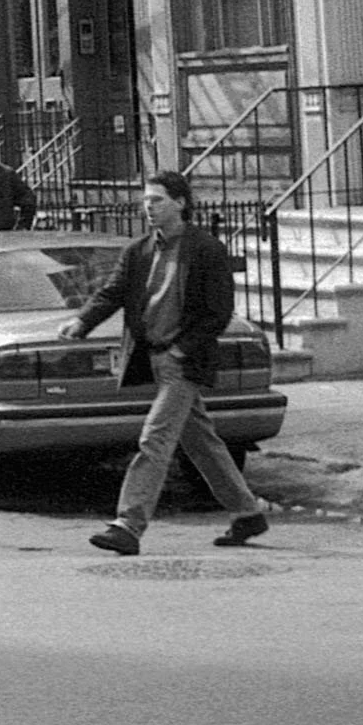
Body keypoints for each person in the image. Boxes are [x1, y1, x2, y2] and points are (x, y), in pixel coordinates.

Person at [61, 171, 270, 556]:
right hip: (153, 357)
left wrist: (181, 350)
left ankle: (128, 524)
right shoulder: (139, 251)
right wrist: (82, 321)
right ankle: (247, 512)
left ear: (180, 203)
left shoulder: (205, 250)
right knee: (202, 442)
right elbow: (113, 291)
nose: (148, 208)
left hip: (183, 361)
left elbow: (217, 312)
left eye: (156, 200)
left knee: (154, 438)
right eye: (145, 201)